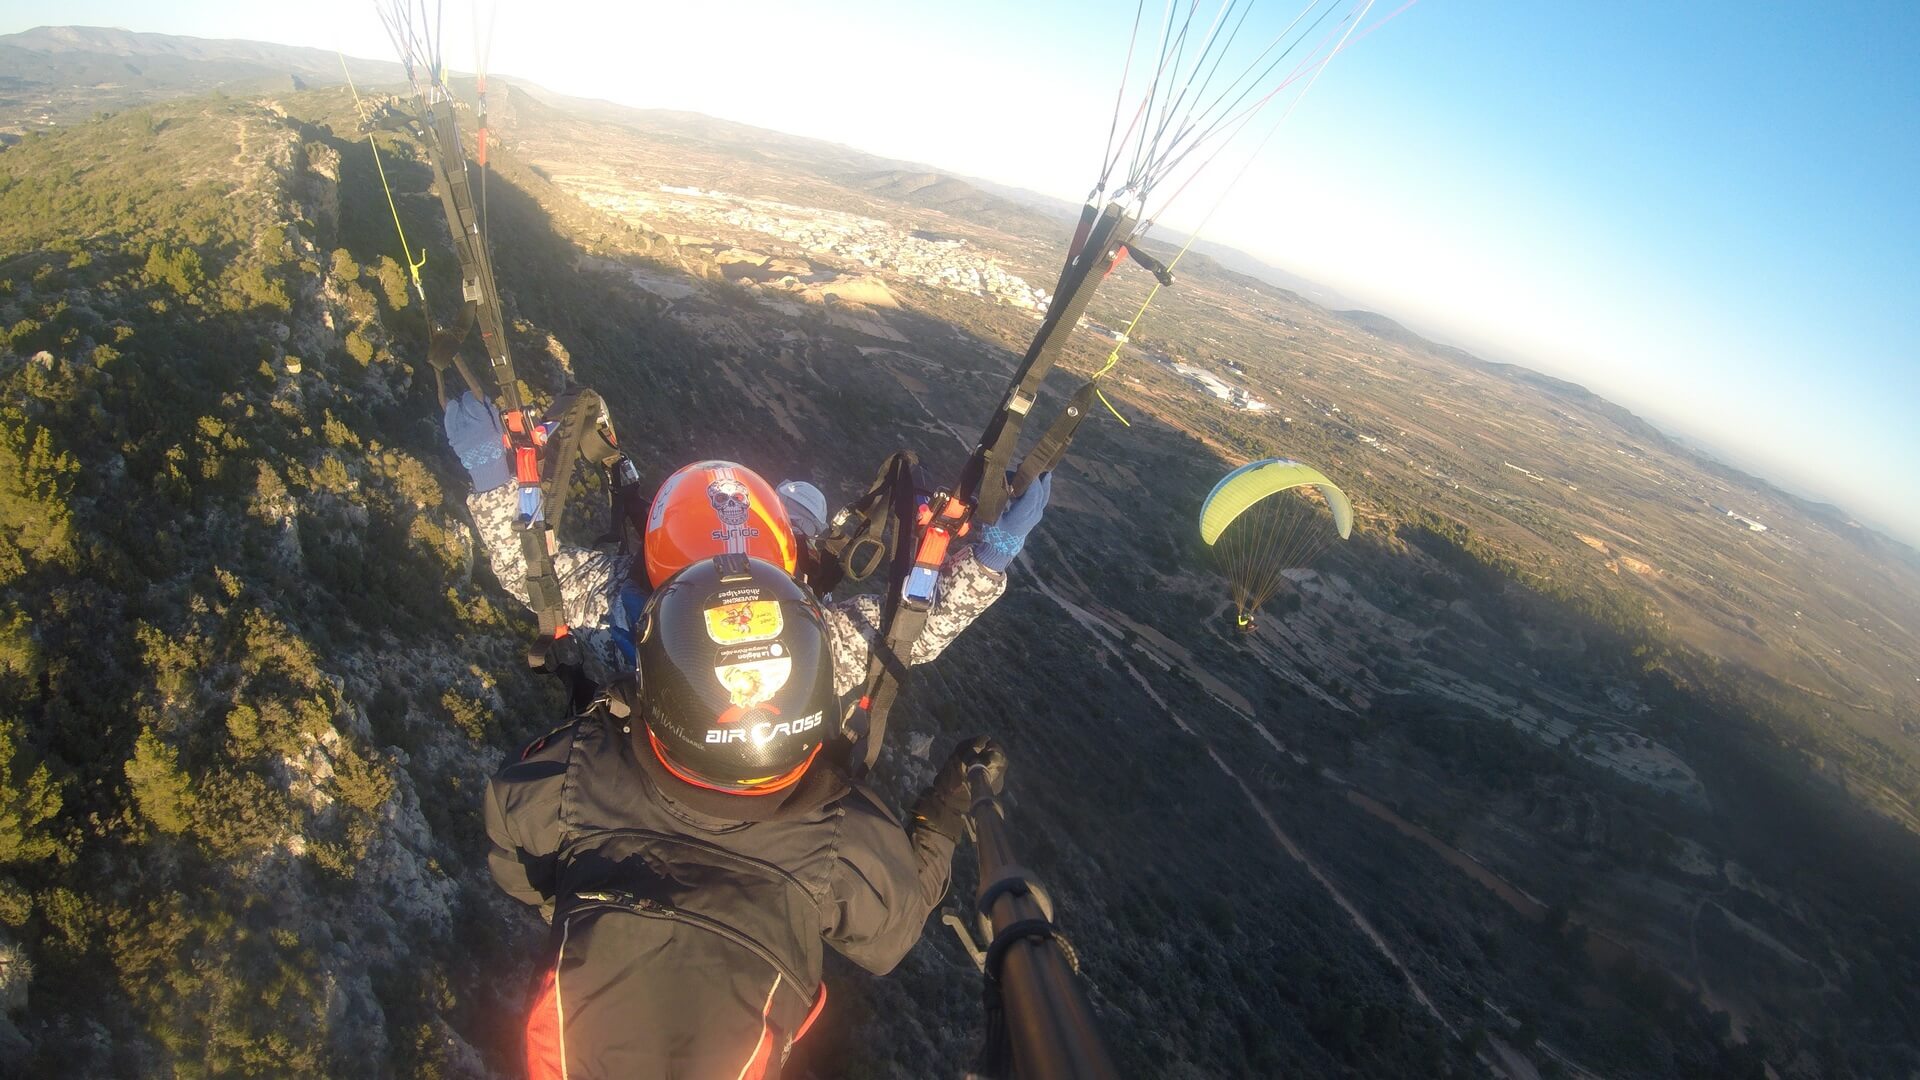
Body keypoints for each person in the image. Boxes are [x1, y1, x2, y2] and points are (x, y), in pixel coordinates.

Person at [486, 553, 1009, 1077]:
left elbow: (517, 864)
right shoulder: (844, 842)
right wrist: (946, 808)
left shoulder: (567, 772)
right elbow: (893, 935)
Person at [442, 391, 1051, 689]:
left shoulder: (612, 605)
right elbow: (913, 632)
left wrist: (496, 476)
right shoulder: (811, 635)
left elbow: (528, 572)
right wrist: (989, 555)